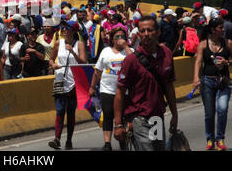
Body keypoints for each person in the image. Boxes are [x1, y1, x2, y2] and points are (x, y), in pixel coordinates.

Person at [114, 16, 178, 151]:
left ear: (158, 32)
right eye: (142, 31)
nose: (146, 34)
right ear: (138, 35)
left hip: (158, 117)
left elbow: (168, 86)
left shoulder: (166, 54)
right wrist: (118, 124)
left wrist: (174, 114)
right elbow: (119, 91)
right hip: (139, 118)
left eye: (150, 30)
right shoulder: (131, 60)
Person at [90, 27, 133, 150]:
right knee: (108, 115)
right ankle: (107, 143)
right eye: (117, 37)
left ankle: (122, 140)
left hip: (125, 90)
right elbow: (98, 71)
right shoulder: (105, 51)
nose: (120, 39)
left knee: (124, 116)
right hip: (107, 89)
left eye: (122, 37)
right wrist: (92, 87)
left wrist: (126, 47)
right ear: (112, 39)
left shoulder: (129, 51)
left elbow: (135, 62)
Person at [193, 18, 231, 151]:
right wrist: (196, 78)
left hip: (224, 81)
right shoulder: (203, 44)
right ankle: (210, 139)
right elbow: (198, 62)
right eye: (221, 27)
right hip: (207, 81)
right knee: (209, 113)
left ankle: (220, 139)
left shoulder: (228, 43)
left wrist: (227, 62)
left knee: (222, 109)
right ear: (213, 30)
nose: (224, 29)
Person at [48, 20, 87, 150]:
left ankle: (69, 140)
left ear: (73, 31)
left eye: (66, 28)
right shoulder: (59, 43)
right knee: (59, 110)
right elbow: (51, 59)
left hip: (74, 82)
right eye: (63, 28)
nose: (63, 30)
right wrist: (53, 65)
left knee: (70, 112)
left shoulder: (79, 44)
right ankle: (57, 138)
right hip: (60, 79)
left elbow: (83, 62)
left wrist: (73, 52)